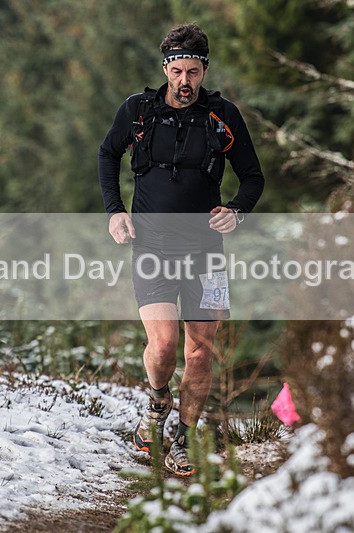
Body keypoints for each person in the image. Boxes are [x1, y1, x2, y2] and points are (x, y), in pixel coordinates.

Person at [98, 23, 264, 476]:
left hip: (207, 252)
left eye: (194, 71)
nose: (186, 81)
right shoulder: (137, 111)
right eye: (178, 71)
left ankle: (186, 439)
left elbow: (253, 177)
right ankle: (156, 402)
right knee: (165, 345)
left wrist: (237, 212)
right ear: (166, 69)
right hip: (151, 246)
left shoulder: (223, 115)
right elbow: (108, 154)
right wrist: (114, 210)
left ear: (205, 69)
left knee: (200, 352)